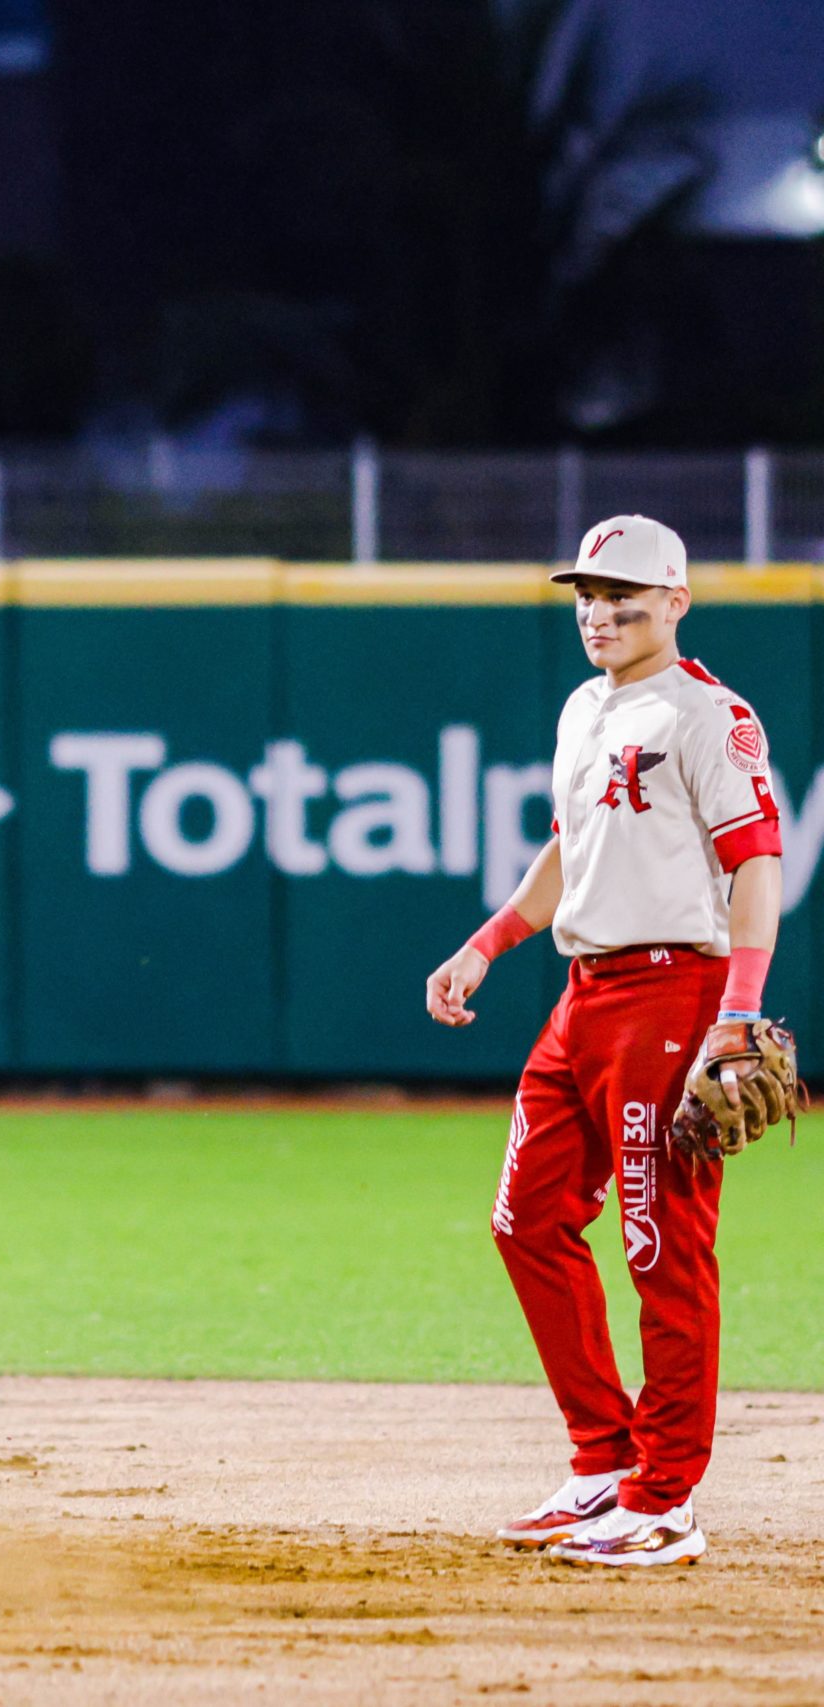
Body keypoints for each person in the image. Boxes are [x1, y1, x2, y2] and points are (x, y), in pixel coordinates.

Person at [425, 514, 787, 1568]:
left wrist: (735, 1012)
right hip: (581, 998)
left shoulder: (708, 717)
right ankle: (601, 1462)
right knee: (525, 1221)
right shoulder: (587, 706)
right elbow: (566, 849)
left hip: (673, 997)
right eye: (586, 593)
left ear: (675, 601)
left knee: (660, 1246)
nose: (601, 611)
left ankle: (664, 1498)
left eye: (623, 593)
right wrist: (485, 944)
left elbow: (756, 864)